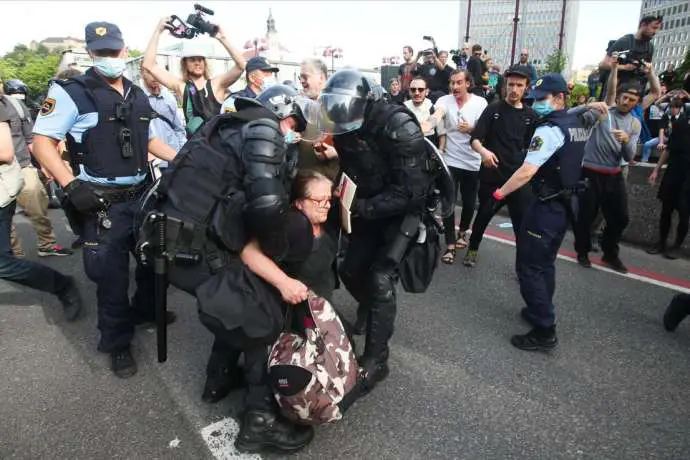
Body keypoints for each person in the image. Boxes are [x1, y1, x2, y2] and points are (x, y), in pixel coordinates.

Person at [152, 84, 315, 453]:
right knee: (260, 311)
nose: (293, 135)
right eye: (294, 126)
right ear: (286, 116)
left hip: (173, 241)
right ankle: (259, 420)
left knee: (232, 300)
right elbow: (267, 203)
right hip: (192, 247)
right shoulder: (265, 129)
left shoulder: (223, 126)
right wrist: (273, 256)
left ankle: (219, 379)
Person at [31, 22, 177, 378]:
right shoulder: (71, 91)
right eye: (102, 52)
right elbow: (41, 143)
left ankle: (144, 310)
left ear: (124, 50)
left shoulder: (137, 93)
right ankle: (117, 342)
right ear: (91, 54)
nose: (110, 58)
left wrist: (182, 161)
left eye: (114, 51)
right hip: (102, 202)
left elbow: (146, 141)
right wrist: (69, 184)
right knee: (110, 278)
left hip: (142, 196)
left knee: (151, 264)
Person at [317, 69, 434, 390]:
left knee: (381, 276)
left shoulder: (399, 125)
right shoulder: (344, 123)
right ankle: (369, 306)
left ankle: (376, 359)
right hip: (366, 204)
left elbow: (412, 192)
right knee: (351, 270)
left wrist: (362, 207)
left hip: (403, 211)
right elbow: (350, 164)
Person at [490, 74, 604, 351]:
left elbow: (527, 172)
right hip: (566, 204)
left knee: (529, 267)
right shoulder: (575, 122)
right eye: (536, 99)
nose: (538, 104)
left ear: (560, 98)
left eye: (543, 99)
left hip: (547, 205)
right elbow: (597, 112)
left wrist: (500, 193)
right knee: (546, 264)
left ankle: (544, 330)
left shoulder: (549, 130)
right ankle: (539, 310)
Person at [0, 92, 82, 321]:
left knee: (3, 263)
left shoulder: (10, 105)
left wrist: (48, 166)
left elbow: (8, 150)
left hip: (9, 181)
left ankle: (61, 283)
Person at [462, 68, 537, 267]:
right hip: (491, 177)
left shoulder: (531, 116)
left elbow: (535, 149)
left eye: (519, 85)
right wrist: (484, 153)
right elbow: (475, 139)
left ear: (526, 88)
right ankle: (473, 247)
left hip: (517, 180)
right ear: (504, 85)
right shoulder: (494, 109)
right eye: (510, 84)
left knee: (522, 225)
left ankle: (523, 264)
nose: (514, 89)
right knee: (483, 217)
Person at [0, 79, 74, 258]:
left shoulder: (15, 105)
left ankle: (47, 244)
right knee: (3, 218)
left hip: (22, 165)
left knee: (38, 207)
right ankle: (13, 255)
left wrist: (44, 165)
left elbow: (30, 140)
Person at [143, 16, 246, 136]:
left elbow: (241, 66)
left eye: (200, 59)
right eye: (192, 59)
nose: (197, 63)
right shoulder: (181, 87)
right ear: (185, 63)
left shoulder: (216, 84)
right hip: (195, 150)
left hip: (219, 149)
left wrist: (222, 38)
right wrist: (158, 30)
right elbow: (148, 64)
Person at [647, 97, 690, 259]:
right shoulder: (680, 125)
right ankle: (661, 242)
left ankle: (677, 246)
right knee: (666, 209)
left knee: (685, 212)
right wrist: (656, 170)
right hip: (674, 171)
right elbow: (668, 149)